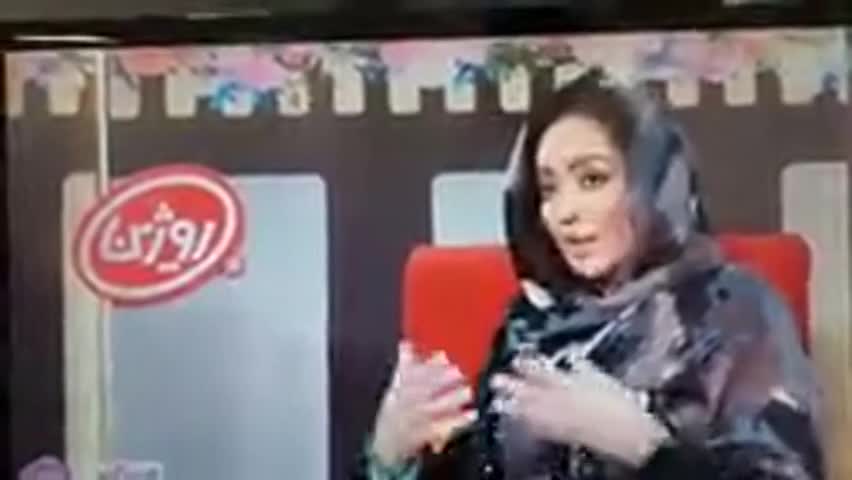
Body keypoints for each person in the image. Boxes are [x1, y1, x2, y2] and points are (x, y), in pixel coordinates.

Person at [353, 67, 824, 480]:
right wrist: (391, 457)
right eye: (548, 189)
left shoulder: (736, 311)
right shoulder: (531, 323)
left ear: (653, 184)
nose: (564, 213)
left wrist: (644, 447)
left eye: (592, 179)